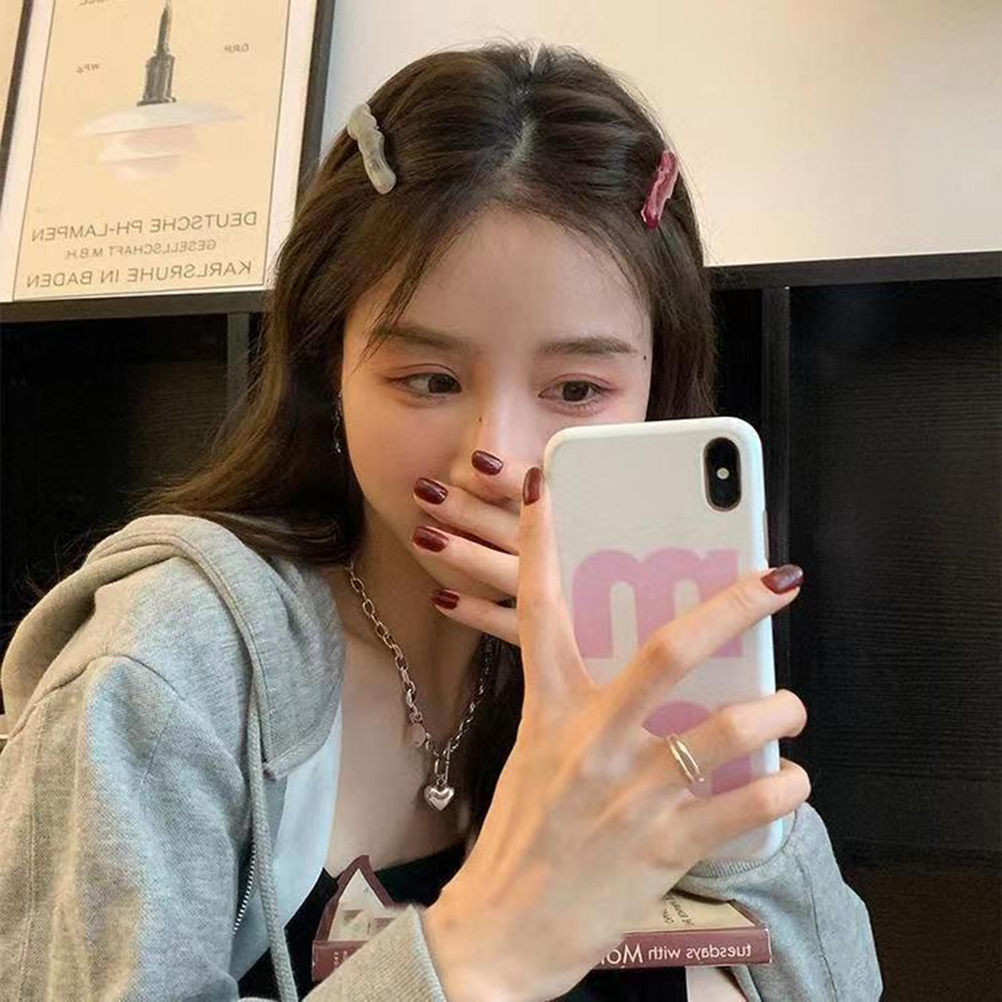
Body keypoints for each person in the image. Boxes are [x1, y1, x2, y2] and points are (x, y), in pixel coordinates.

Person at [0, 41, 882, 1002]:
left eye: (576, 389)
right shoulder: (166, 668)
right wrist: (479, 948)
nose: (495, 452)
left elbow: (835, 985)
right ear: (325, 368)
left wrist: (696, 737)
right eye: (429, 380)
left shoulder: (613, 648)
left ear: (656, 391)